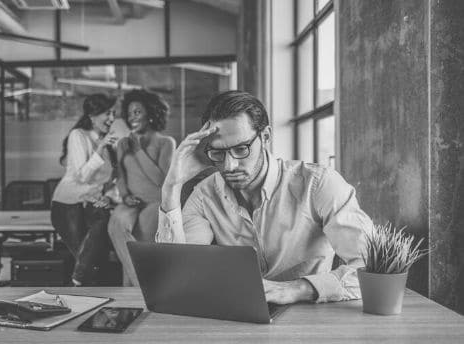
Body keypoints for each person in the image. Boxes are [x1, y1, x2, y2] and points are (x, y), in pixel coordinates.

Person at [156, 90, 373, 304]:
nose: (229, 165)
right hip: (237, 318)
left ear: (266, 136)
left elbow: (373, 268)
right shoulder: (204, 195)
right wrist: (171, 187)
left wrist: (297, 289)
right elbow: (179, 276)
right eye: (218, 152)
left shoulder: (318, 184)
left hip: (308, 317)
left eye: (241, 149)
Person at [108, 89, 176, 286]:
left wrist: (138, 150)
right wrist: (125, 195)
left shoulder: (166, 143)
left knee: (141, 245)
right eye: (129, 114)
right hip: (131, 202)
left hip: (155, 203)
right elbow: (120, 175)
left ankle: (137, 300)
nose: (132, 118)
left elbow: (162, 180)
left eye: (137, 112)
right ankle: (142, 288)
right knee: (116, 225)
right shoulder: (122, 144)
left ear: (151, 113)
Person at [51, 93, 119, 286]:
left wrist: (107, 195)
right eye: (107, 113)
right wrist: (99, 149)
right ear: (92, 115)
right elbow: (83, 176)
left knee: (95, 261)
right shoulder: (78, 135)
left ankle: (81, 285)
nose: (112, 119)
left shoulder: (106, 141)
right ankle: (79, 286)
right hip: (67, 205)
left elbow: (110, 179)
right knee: (88, 264)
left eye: (113, 113)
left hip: (90, 202)